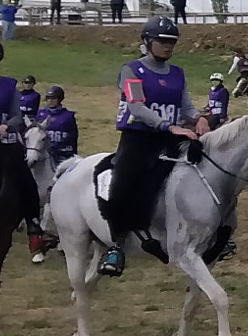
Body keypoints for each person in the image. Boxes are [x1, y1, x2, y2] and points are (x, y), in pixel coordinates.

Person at [99, 17, 208, 276]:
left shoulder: (177, 73)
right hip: (138, 138)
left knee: (204, 170)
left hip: (169, 137)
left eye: (171, 42)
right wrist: (168, 126)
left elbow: (186, 107)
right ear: (147, 41)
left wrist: (199, 118)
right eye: (162, 41)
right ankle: (117, 245)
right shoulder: (132, 70)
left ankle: (213, 230)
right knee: (122, 185)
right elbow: (136, 107)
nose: (167, 46)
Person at [0, 37, 58, 256]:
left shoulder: (8, 85)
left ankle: (34, 229)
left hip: (0, 143)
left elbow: (18, 116)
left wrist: (6, 126)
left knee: (25, 180)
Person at [36, 85, 79, 164]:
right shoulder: (39, 114)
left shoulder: (68, 116)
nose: (50, 101)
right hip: (43, 153)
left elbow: (73, 136)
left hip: (61, 153)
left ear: (59, 99)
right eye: (48, 98)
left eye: (53, 98)